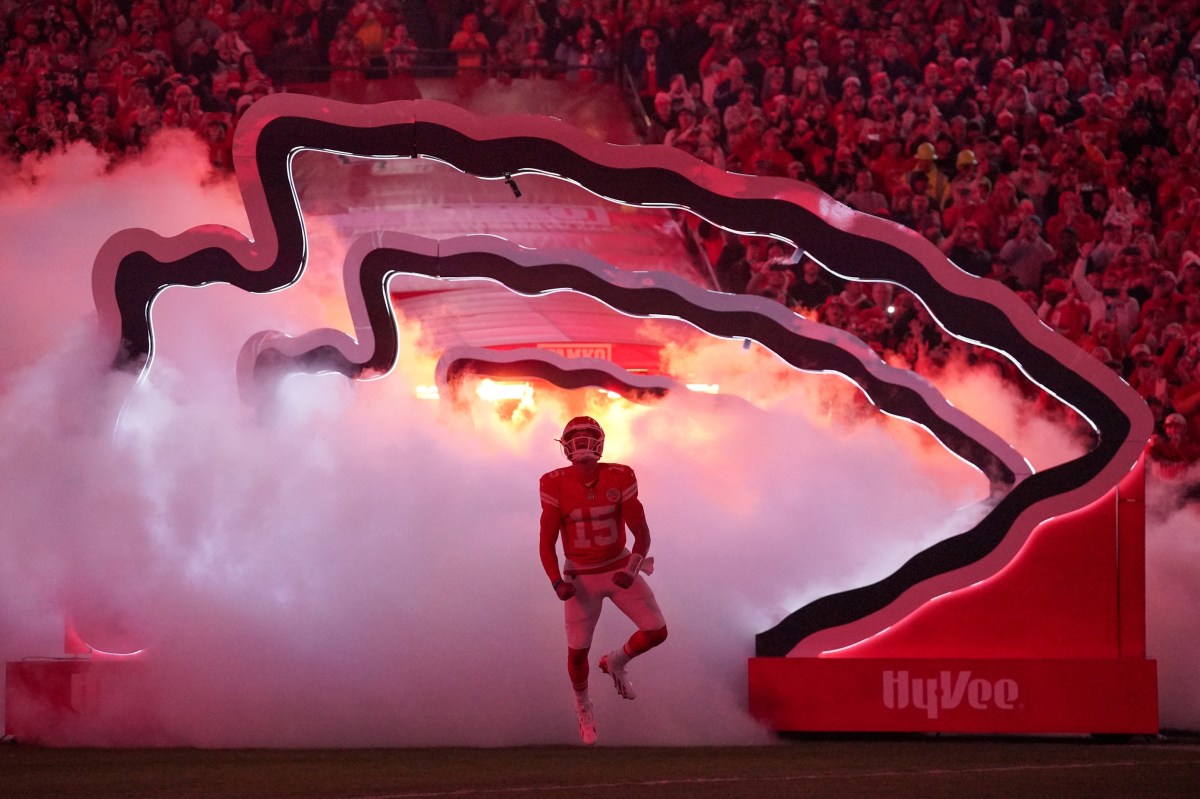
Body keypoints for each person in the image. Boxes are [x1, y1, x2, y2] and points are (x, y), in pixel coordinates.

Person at [538, 416, 668, 745]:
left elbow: (641, 533)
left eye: (588, 436)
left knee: (657, 631)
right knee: (577, 652)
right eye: (576, 437)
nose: (582, 442)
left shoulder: (619, 475)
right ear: (565, 444)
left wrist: (631, 568)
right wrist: (556, 582)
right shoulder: (553, 482)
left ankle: (616, 661)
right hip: (580, 574)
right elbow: (546, 541)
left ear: (600, 441)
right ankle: (583, 707)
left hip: (617, 563)